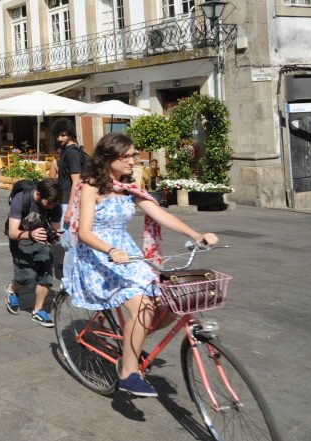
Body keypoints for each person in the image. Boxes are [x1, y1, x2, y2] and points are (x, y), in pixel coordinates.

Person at [62, 132, 219, 398]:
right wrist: (110, 249)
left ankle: (132, 340)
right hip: (98, 256)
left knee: (169, 303)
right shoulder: (91, 186)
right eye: (128, 156)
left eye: (134, 155)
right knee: (144, 306)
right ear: (109, 157)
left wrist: (196, 235)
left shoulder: (128, 187)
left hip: (128, 255)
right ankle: (128, 373)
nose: (134, 160)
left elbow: (161, 213)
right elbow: (85, 232)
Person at [4, 178, 63, 326]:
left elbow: (54, 229)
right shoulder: (21, 199)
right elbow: (12, 232)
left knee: (46, 276)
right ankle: (12, 289)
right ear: (38, 194)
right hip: (20, 239)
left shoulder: (55, 205)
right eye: (48, 203)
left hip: (40, 241)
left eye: (54, 203)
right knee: (27, 276)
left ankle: (37, 311)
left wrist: (54, 237)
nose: (51, 207)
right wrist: (30, 234)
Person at [51, 118, 87, 224]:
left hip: (68, 202)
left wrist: (70, 209)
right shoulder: (67, 151)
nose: (59, 138)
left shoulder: (72, 153)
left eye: (63, 135)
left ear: (70, 134)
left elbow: (76, 181)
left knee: (67, 239)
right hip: (64, 199)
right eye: (57, 135)